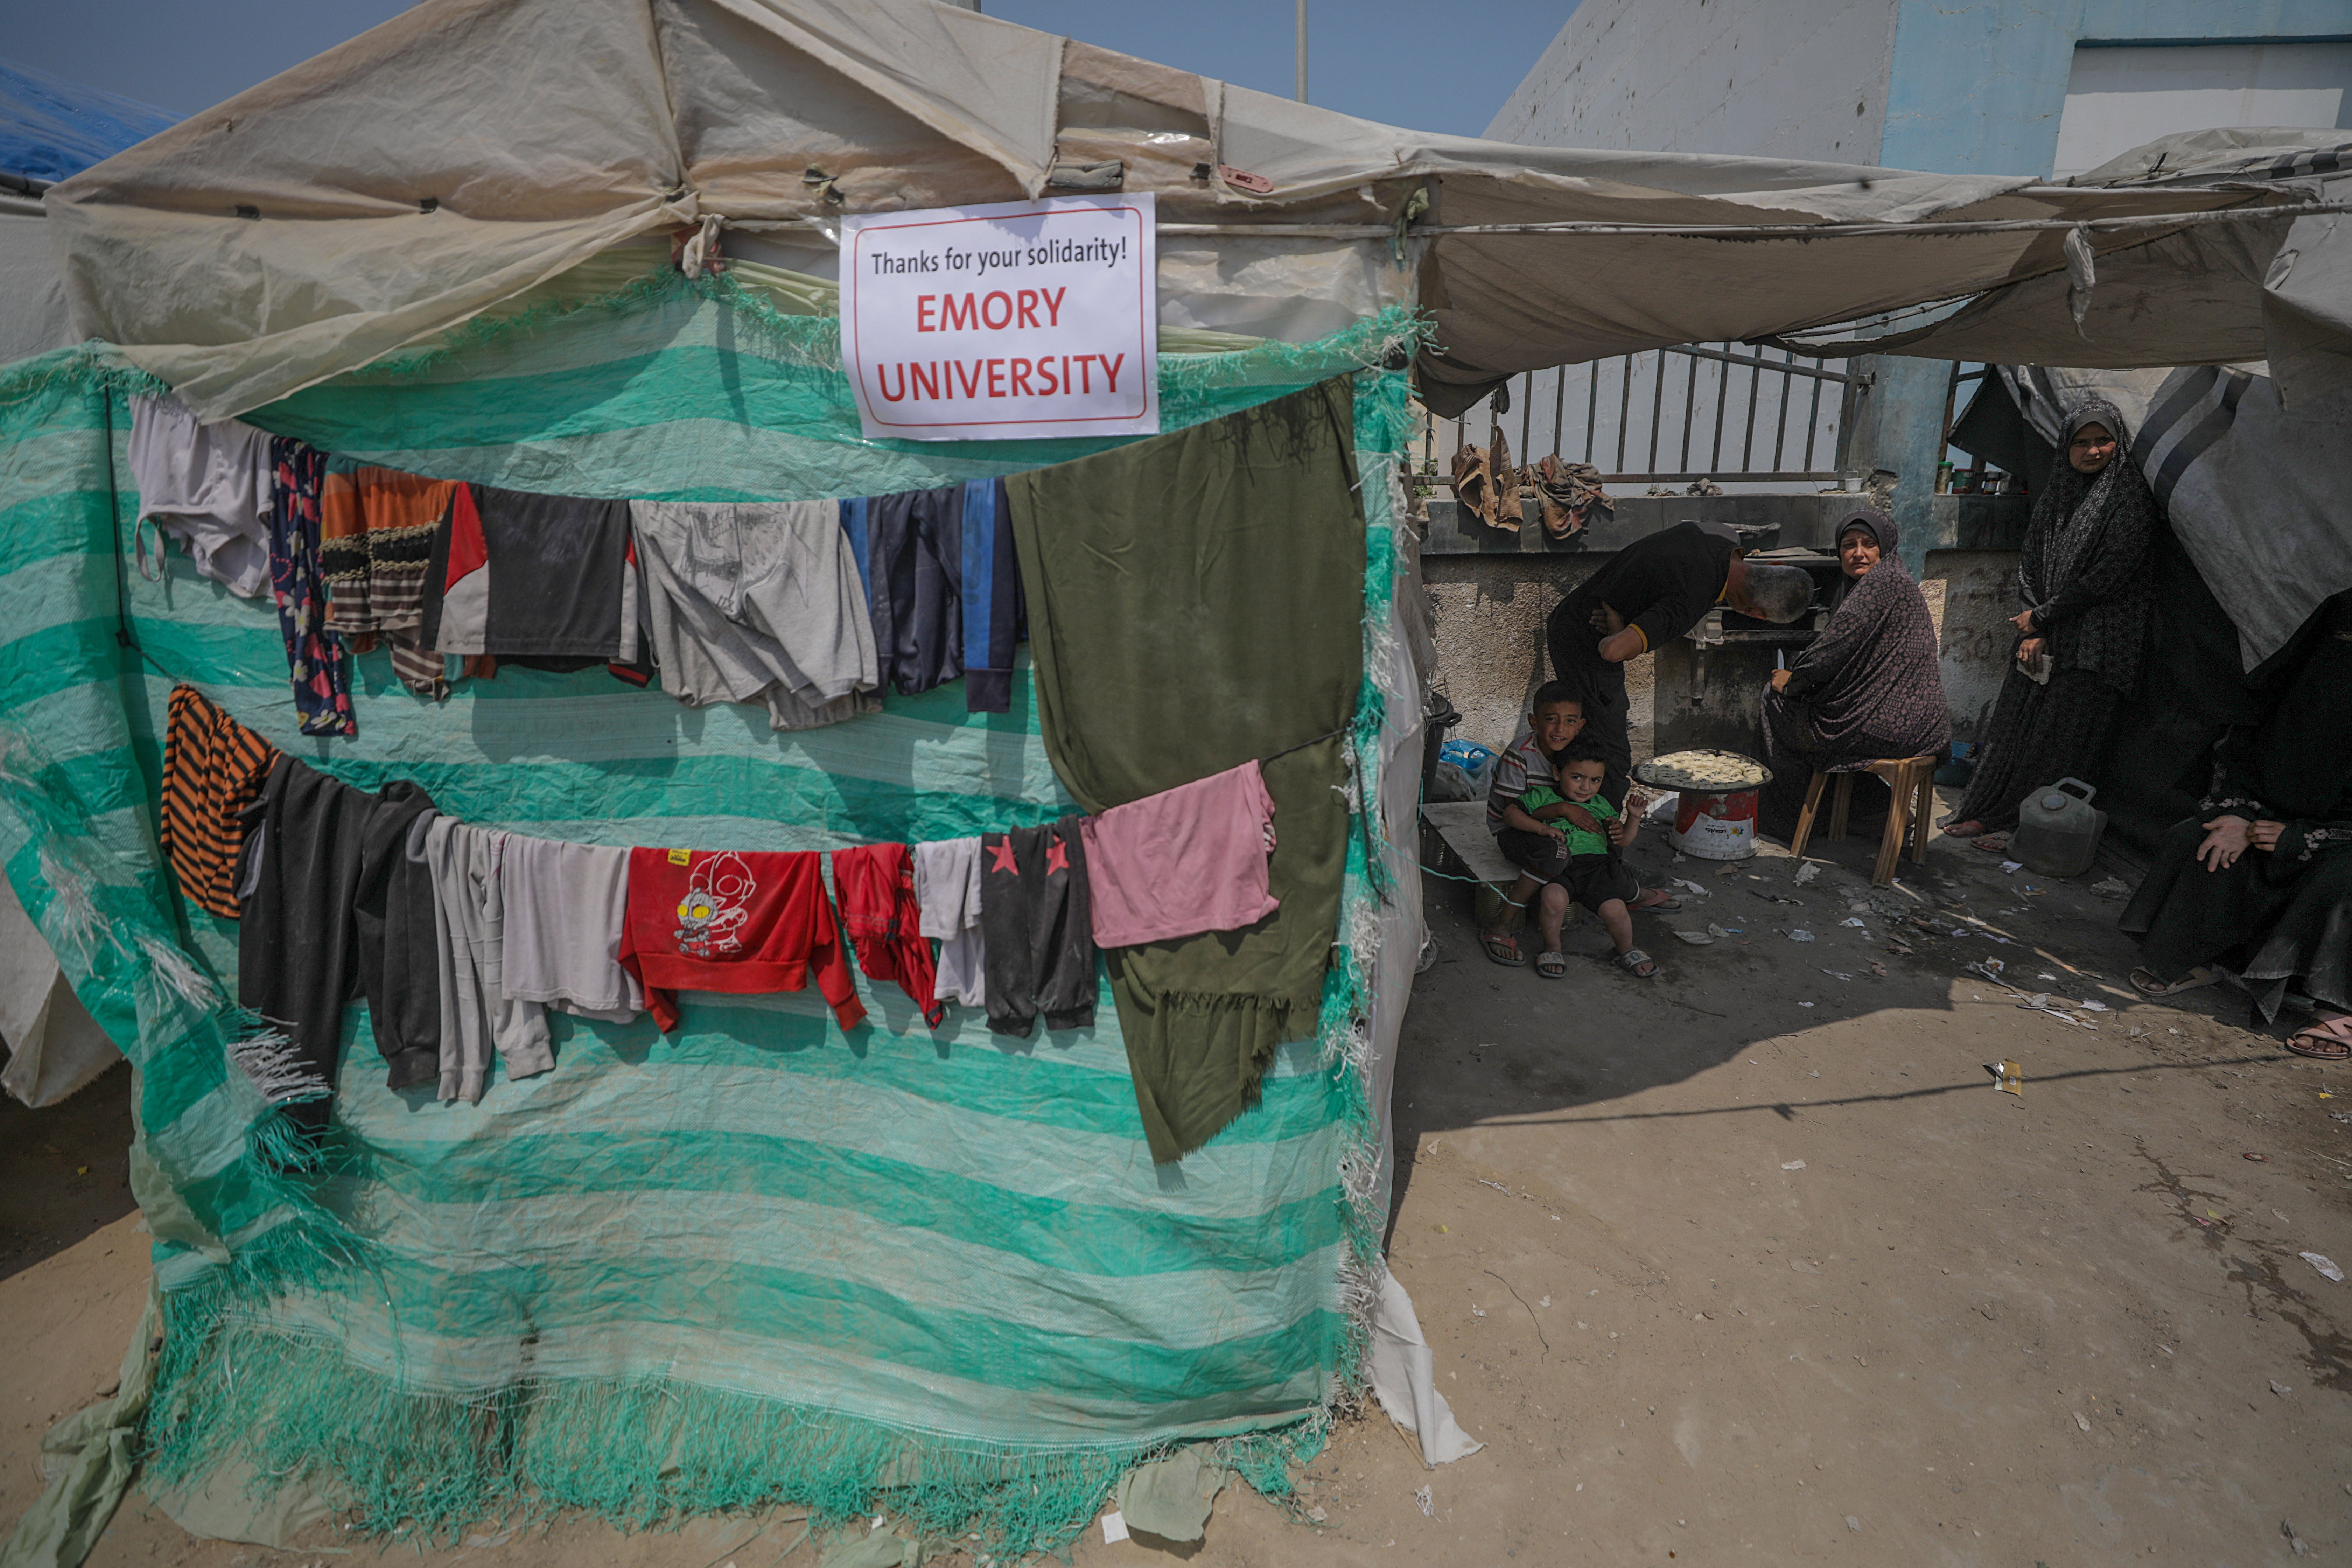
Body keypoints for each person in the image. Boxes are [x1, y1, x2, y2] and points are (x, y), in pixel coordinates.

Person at [2120, 590, 2352, 1056]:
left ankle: (2337, 1006)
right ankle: (2202, 955)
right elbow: (2242, 739)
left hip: (2345, 842)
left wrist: (2310, 838)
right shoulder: (2297, 681)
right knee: (2198, 839)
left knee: (2345, 882)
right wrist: (2237, 810)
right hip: (2268, 812)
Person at [1941, 399, 2154, 843]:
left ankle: (2027, 827)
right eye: (2081, 442)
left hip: (2093, 647)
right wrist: (2035, 627)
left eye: (2103, 440)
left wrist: (2041, 618)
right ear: (2066, 448)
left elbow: (2108, 577)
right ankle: (1987, 810)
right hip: (2042, 636)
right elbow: (2030, 563)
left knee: (2056, 741)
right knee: (2013, 729)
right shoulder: (2058, 494)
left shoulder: (2129, 500)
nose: (2092, 451)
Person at [1545, 520, 1815, 808]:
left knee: (1590, 736)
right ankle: (1596, 836)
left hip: (1569, 620)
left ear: (1774, 563)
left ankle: (1572, 817)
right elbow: (1613, 651)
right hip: (1583, 646)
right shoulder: (1691, 599)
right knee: (1609, 754)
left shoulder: (1715, 540)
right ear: (1757, 615)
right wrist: (1617, 626)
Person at [1755, 508, 1951, 840]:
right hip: (1927, 727)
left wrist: (1793, 679)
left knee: (1777, 703)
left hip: (1890, 727)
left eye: (1868, 544)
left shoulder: (1880, 584)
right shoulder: (1900, 581)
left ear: (1885, 548)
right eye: (1849, 545)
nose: (1858, 553)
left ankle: (1800, 818)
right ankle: (1872, 810)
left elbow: (1829, 654)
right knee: (1825, 715)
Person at [1477, 682, 1673, 967]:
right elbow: (1510, 814)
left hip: (1560, 831)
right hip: (1518, 829)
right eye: (1551, 719)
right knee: (1555, 853)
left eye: (1570, 721)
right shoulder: (1520, 755)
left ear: (1580, 725)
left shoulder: (1579, 752)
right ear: (1534, 722)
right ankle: (1501, 924)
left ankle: (1626, 891)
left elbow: (1602, 810)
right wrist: (1562, 810)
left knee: (1602, 841)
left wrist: (1625, 820)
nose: (1560, 729)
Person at [1497, 741, 1656, 979]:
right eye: (1577, 778)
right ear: (1557, 773)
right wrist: (1540, 829)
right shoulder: (1543, 796)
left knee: (1616, 910)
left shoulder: (1602, 805)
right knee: (1553, 900)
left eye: (1595, 781)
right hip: (1561, 868)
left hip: (1598, 869)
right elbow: (1510, 813)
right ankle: (1552, 947)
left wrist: (1632, 819)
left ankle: (1626, 949)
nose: (1586, 788)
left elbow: (1623, 841)